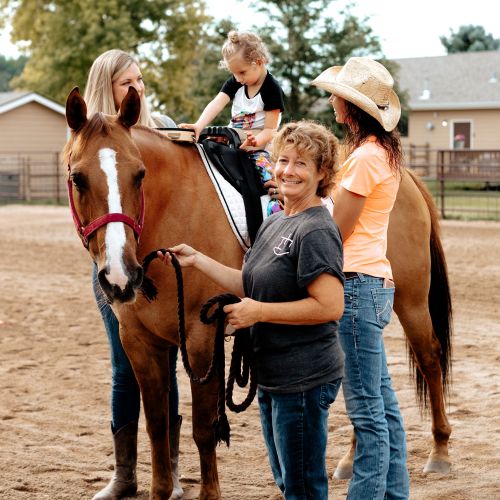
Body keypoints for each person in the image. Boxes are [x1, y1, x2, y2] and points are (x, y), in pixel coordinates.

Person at [158, 120, 345, 499]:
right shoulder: (277, 220)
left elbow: (330, 306)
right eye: (283, 160)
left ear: (322, 173)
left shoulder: (316, 230)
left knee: (304, 488)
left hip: (304, 377)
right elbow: (251, 282)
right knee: (286, 480)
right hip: (272, 375)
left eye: (302, 164)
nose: (287, 171)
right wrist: (198, 261)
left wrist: (258, 313)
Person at [83, 49, 183, 500]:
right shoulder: (85, 136)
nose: (138, 89)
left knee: (168, 365)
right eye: (128, 83)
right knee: (124, 369)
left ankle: (172, 470)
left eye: (140, 80)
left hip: (157, 263)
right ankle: (125, 473)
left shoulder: (156, 124)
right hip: (111, 265)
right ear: (107, 86)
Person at [312, 57, 410, 499]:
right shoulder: (378, 153)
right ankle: (395, 494)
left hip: (355, 284)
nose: (332, 100)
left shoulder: (365, 158)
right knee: (383, 407)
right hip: (372, 285)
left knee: (367, 411)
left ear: (352, 107)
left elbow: (338, 231)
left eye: (338, 96)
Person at [180, 30, 285, 215]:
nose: (238, 78)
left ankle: (276, 209)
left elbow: (270, 129)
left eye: (242, 72)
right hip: (235, 135)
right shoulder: (237, 82)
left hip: (260, 143)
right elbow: (217, 102)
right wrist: (199, 125)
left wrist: (255, 142)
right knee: (205, 148)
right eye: (234, 73)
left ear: (259, 62)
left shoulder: (271, 89)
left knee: (269, 176)